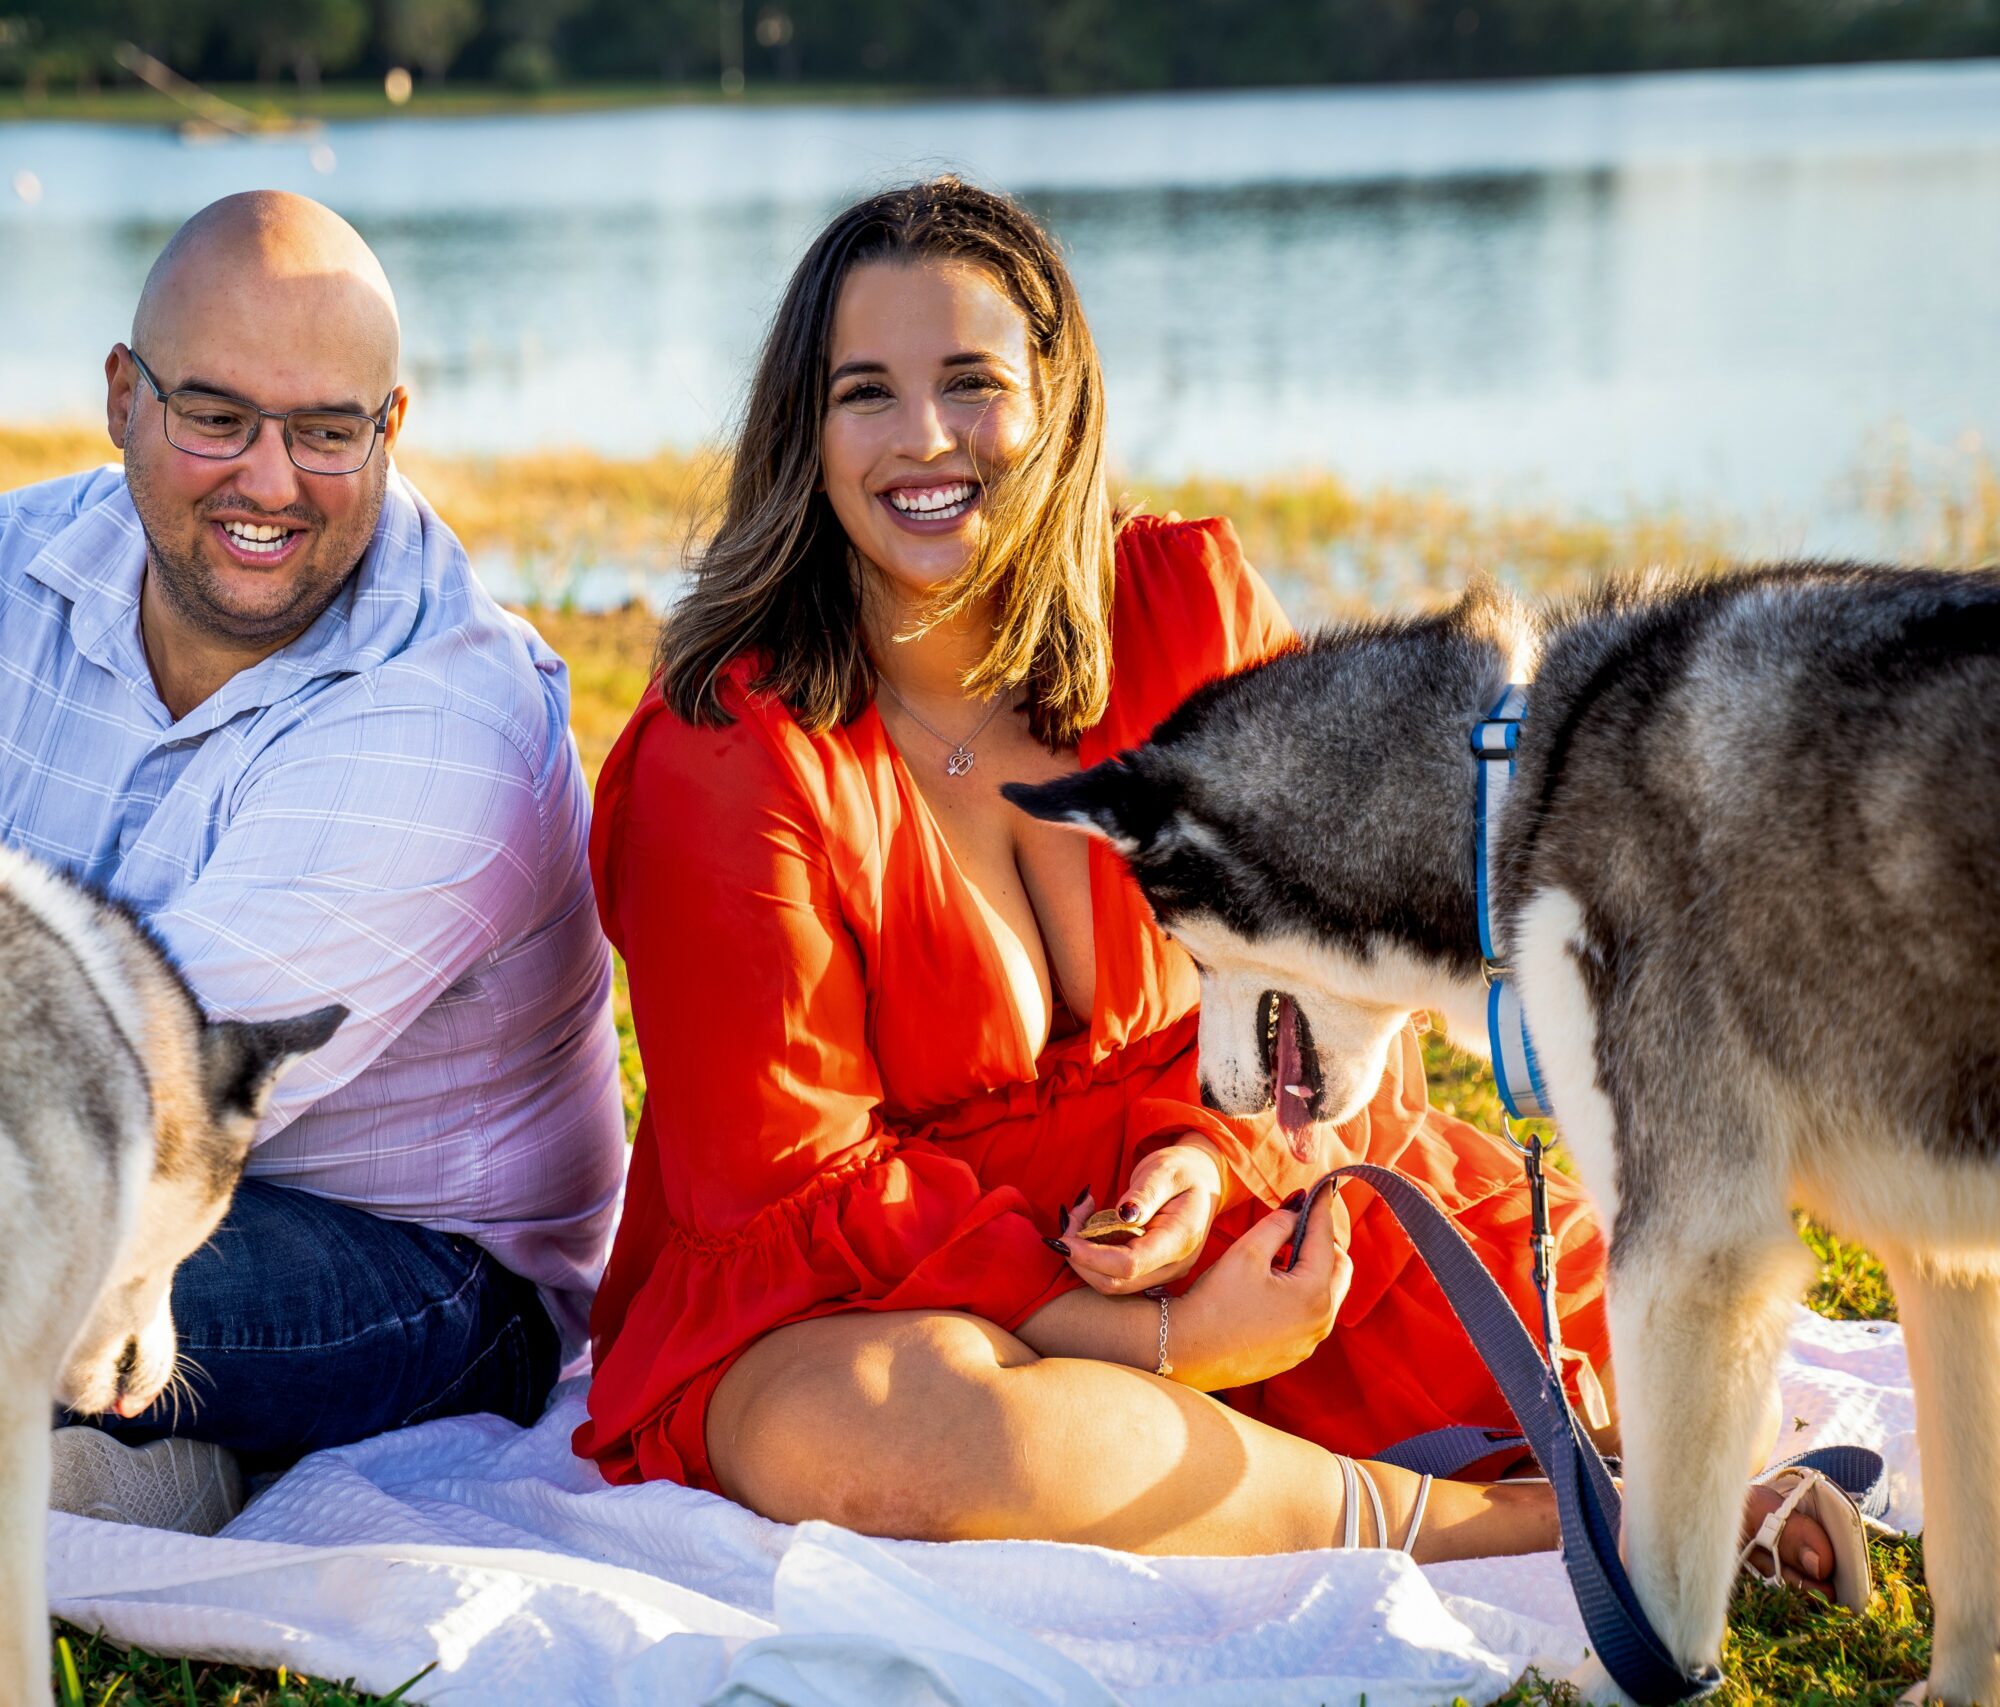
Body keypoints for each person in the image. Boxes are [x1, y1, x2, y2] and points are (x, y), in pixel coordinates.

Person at [577, 176, 1850, 1582]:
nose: (923, 437)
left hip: (1226, 1215)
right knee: (895, 1438)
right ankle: (1521, 1527)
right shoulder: (729, 749)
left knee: (1671, 1338)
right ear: (804, 435)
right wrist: (1160, 1339)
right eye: (864, 392)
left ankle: (1328, 1464)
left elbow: (1341, 981)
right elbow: (794, 1189)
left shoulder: (1185, 609)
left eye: (971, 382)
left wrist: (1210, 1161)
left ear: (1057, 404)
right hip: (872, 1291)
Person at [0, 191, 627, 1532]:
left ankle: (85, 1441)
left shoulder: (450, 727)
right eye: (216, 417)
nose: (271, 481)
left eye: (326, 431)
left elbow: (119, 1100)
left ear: (391, 428)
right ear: (123, 399)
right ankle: (141, 1458)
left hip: (423, 1271)